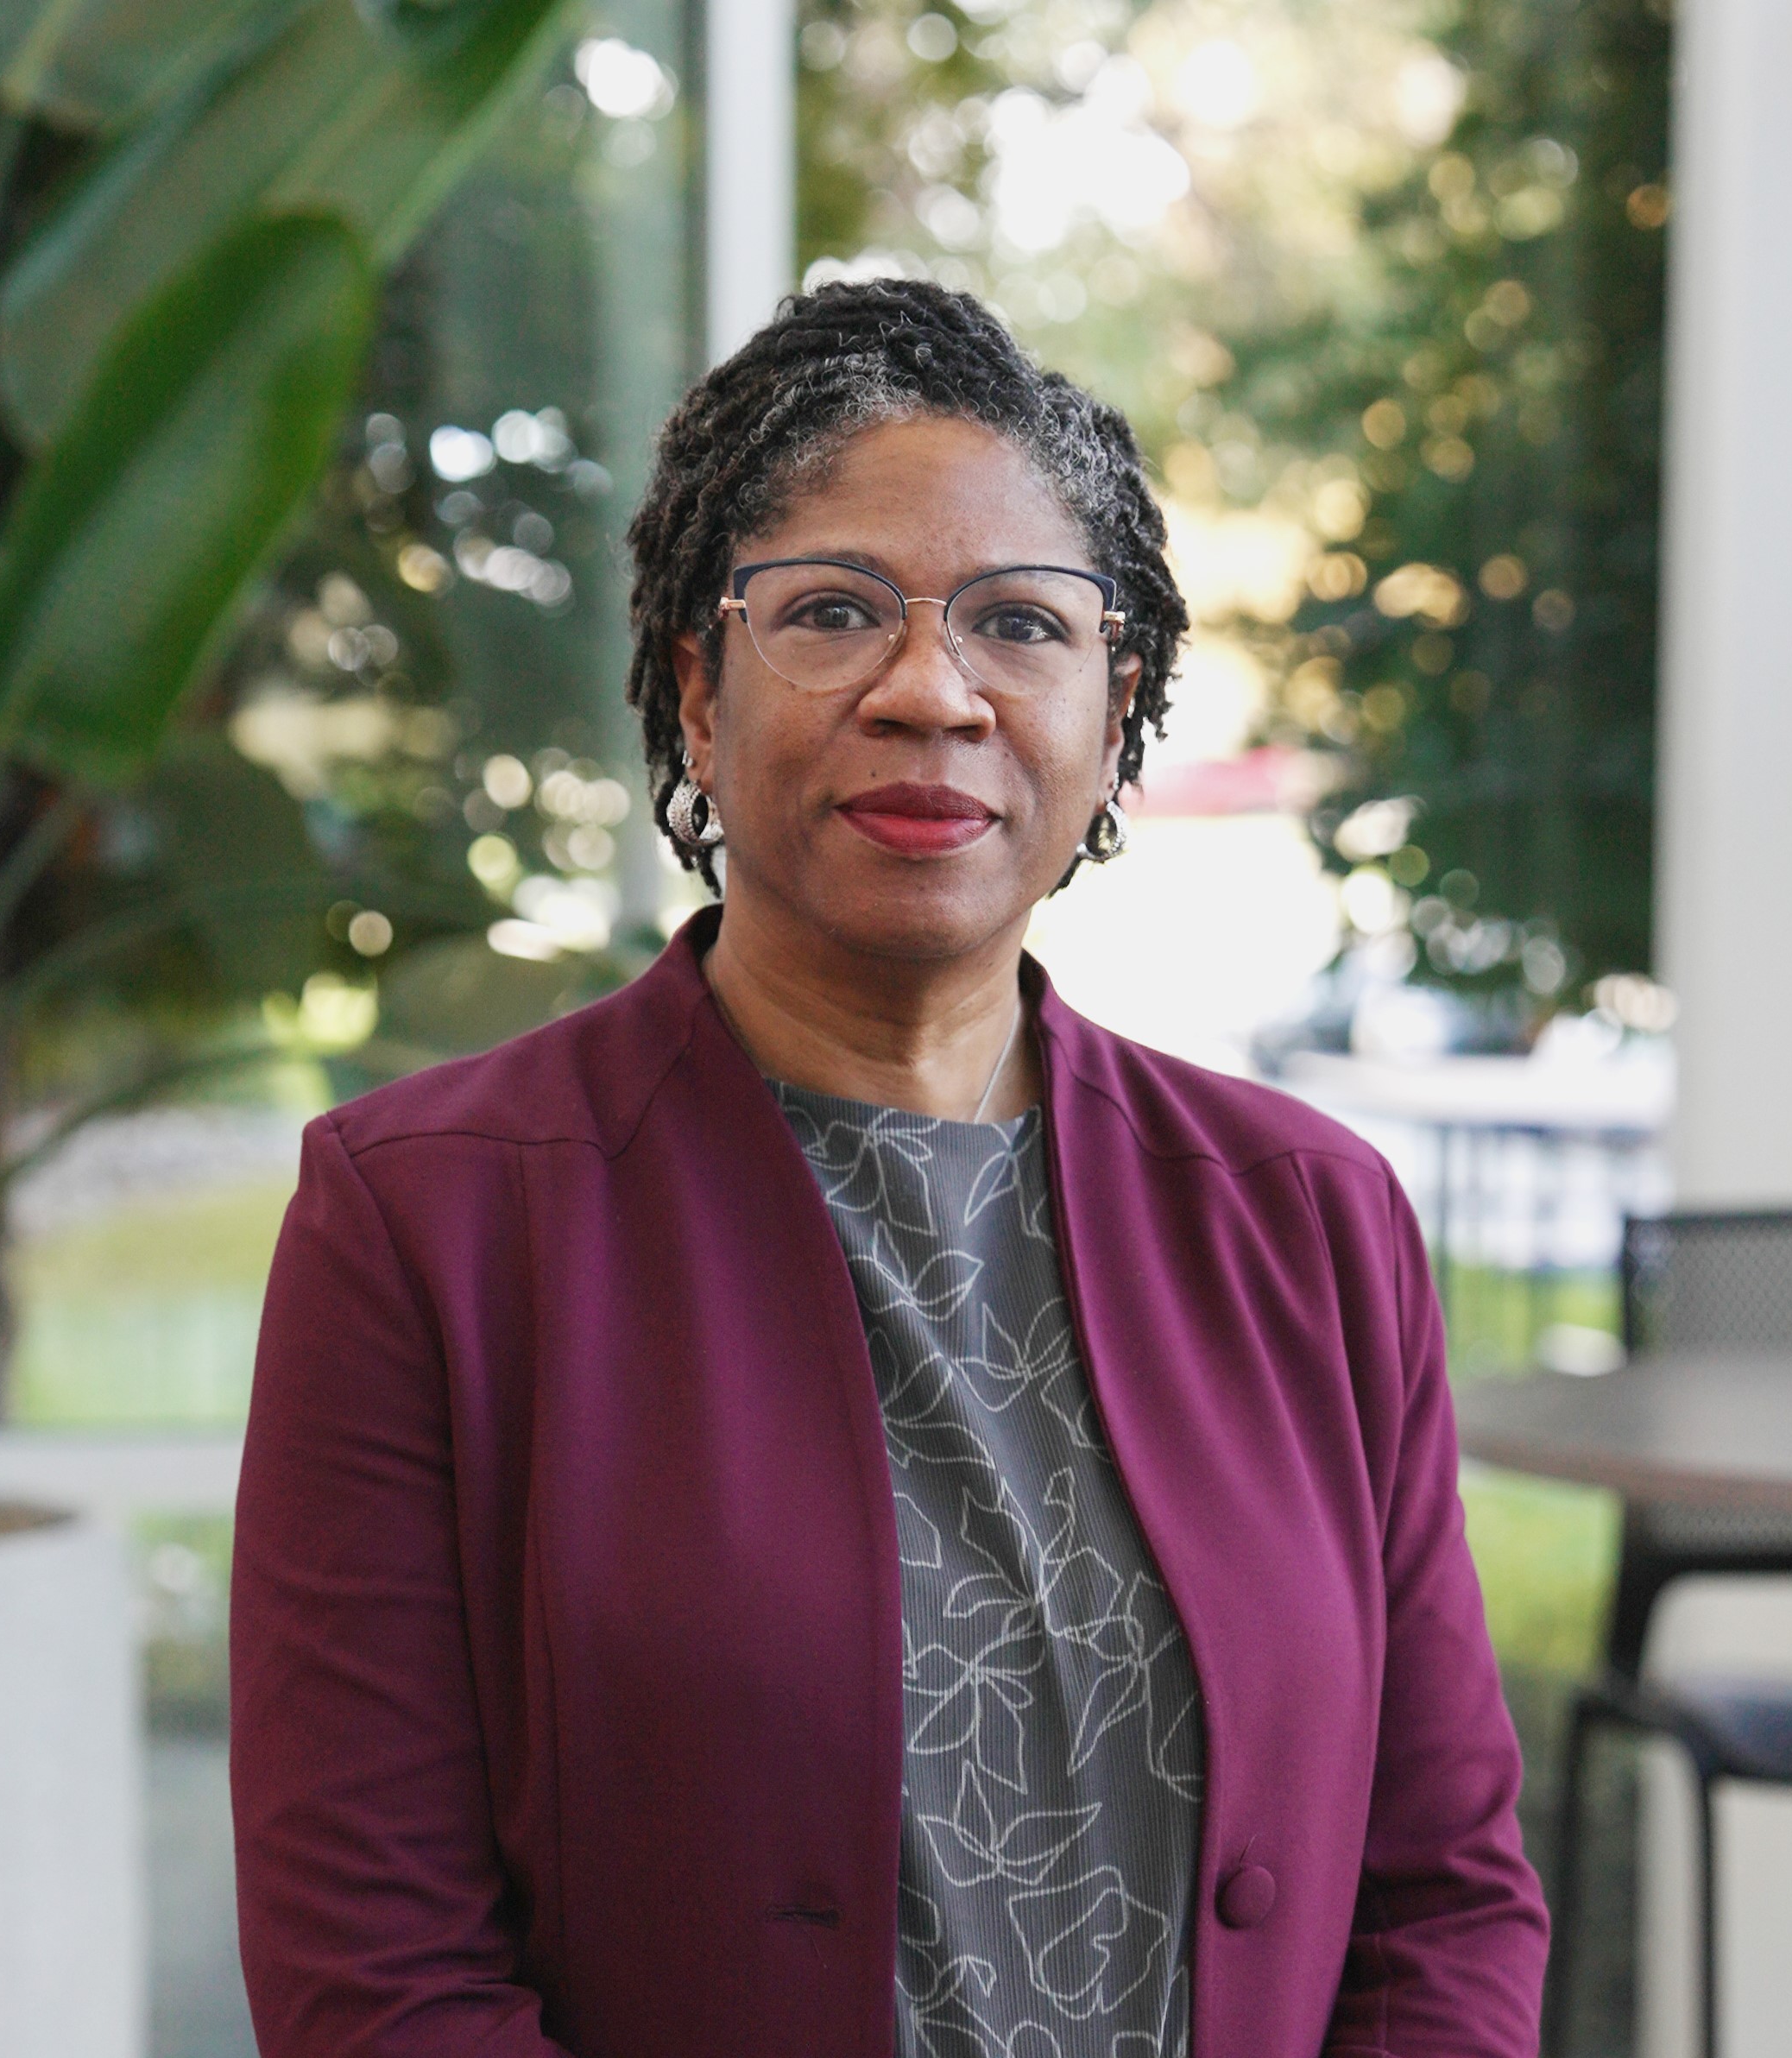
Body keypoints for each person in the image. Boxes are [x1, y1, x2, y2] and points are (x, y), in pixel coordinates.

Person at [231, 280, 1548, 2058]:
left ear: (1114, 712)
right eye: (834, 612)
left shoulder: (1310, 1219)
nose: (932, 693)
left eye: (1020, 624)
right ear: (698, 691)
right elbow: (375, 1977)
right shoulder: (425, 1221)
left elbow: (1445, 1897)